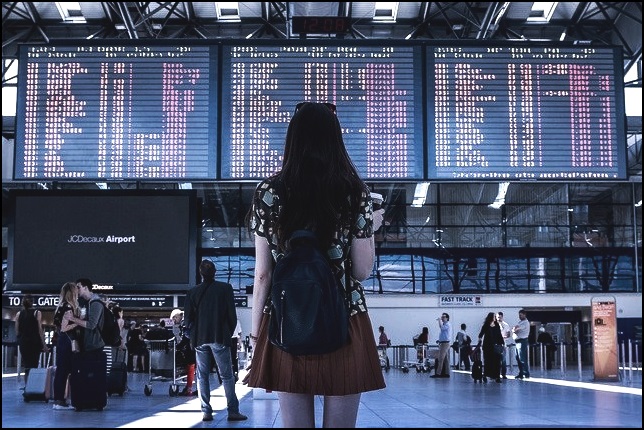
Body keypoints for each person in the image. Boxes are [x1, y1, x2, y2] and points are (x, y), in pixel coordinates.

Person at [245, 101, 386, 428]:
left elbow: (263, 273)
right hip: (345, 320)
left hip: (286, 320)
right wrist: (370, 230)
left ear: (292, 140)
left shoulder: (269, 191)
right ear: (335, 139)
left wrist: (256, 336)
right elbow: (362, 271)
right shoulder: (354, 192)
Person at [184, 259, 247, 422]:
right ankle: (233, 411)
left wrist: (193, 335)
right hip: (219, 337)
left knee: (202, 375)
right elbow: (232, 316)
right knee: (226, 375)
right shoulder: (225, 289)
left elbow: (187, 319)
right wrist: (227, 334)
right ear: (215, 272)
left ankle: (206, 411)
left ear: (200, 273)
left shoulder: (193, 292)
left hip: (199, 339)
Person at [51, 282, 81, 410]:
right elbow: (64, 328)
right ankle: (60, 401)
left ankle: (58, 399)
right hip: (68, 341)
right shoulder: (68, 307)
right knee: (67, 371)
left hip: (61, 341)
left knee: (61, 371)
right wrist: (78, 323)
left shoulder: (59, 306)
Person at [15, 294, 49, 386]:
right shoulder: (37, 312)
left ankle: (27, 388)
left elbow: (17, 332)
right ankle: (32, 387)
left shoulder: (18, 314)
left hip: (24, 343)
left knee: (27, 366)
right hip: (34, 343)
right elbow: (40, 330)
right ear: (33, 302)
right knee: (33, 366)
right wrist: (44, 345)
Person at [170, 308, 196, 396]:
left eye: (175, 317)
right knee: (194, 368)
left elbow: (186, 338)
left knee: (191, 367)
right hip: (195, 346)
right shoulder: (187, 321)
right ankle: (191, 388)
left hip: (191, 348)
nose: (174, 320)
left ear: (179, 316)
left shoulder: (185, 322)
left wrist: (178, 346)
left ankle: (189, 389)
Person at [477, 312, 505, 383]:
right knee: (488, 361)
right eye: (493, 316)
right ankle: (486, 375)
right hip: (487, 346)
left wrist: (502, 343)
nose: (495, 318)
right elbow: (481, 334)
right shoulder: (486, 325)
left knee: (497, 361)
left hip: (496, 345)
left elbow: (499, 335)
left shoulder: (497, 325)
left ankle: (497, 376)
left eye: (495, 316)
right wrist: (480, 339)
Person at [431, 313, 452, 378]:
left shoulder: (447, 324)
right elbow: (444, 335)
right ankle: (447, 373)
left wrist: (439, 321)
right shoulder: (445, 324)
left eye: (444, 317)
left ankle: (438, 373)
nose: (442, 318)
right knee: (446, 359)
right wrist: (439, 340)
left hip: (445, 344)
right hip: (443, 343)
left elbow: (442, 328)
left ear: (447, 318)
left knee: (440, 358)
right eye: (442, 317)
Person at [513, 309, 531, 379]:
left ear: (524, 315)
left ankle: (526, 373)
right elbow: (515, 329)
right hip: (517, 342)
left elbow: (516, 329)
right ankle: (521, 373)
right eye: (519, 315)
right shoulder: (520, 322)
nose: (519, 316)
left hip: (522, 341)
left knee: (522, 358)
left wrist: (514, 329)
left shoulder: (525, 323)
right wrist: (514, 329)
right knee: (518, 358)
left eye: (521, 315)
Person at [497, 311, 512, 379]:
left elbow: (508, 334)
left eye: (500, 317)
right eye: (497, 317)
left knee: (503, 360)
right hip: (496, 344)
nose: (498, 318)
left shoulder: (506, 325)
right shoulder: (494, 325)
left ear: (502, 317)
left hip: (503, 344)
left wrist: (504, 337)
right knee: (496, 360)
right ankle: (496, 373)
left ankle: (503, 374)